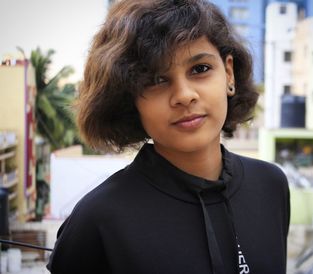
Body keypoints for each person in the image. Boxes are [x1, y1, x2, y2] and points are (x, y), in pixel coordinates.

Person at [47, 0, 290, 273]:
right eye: (155, 80)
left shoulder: (270, 186)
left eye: (200, 69)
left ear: (229, 74)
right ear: (129, 100)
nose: (185, 95)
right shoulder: (98, 219)